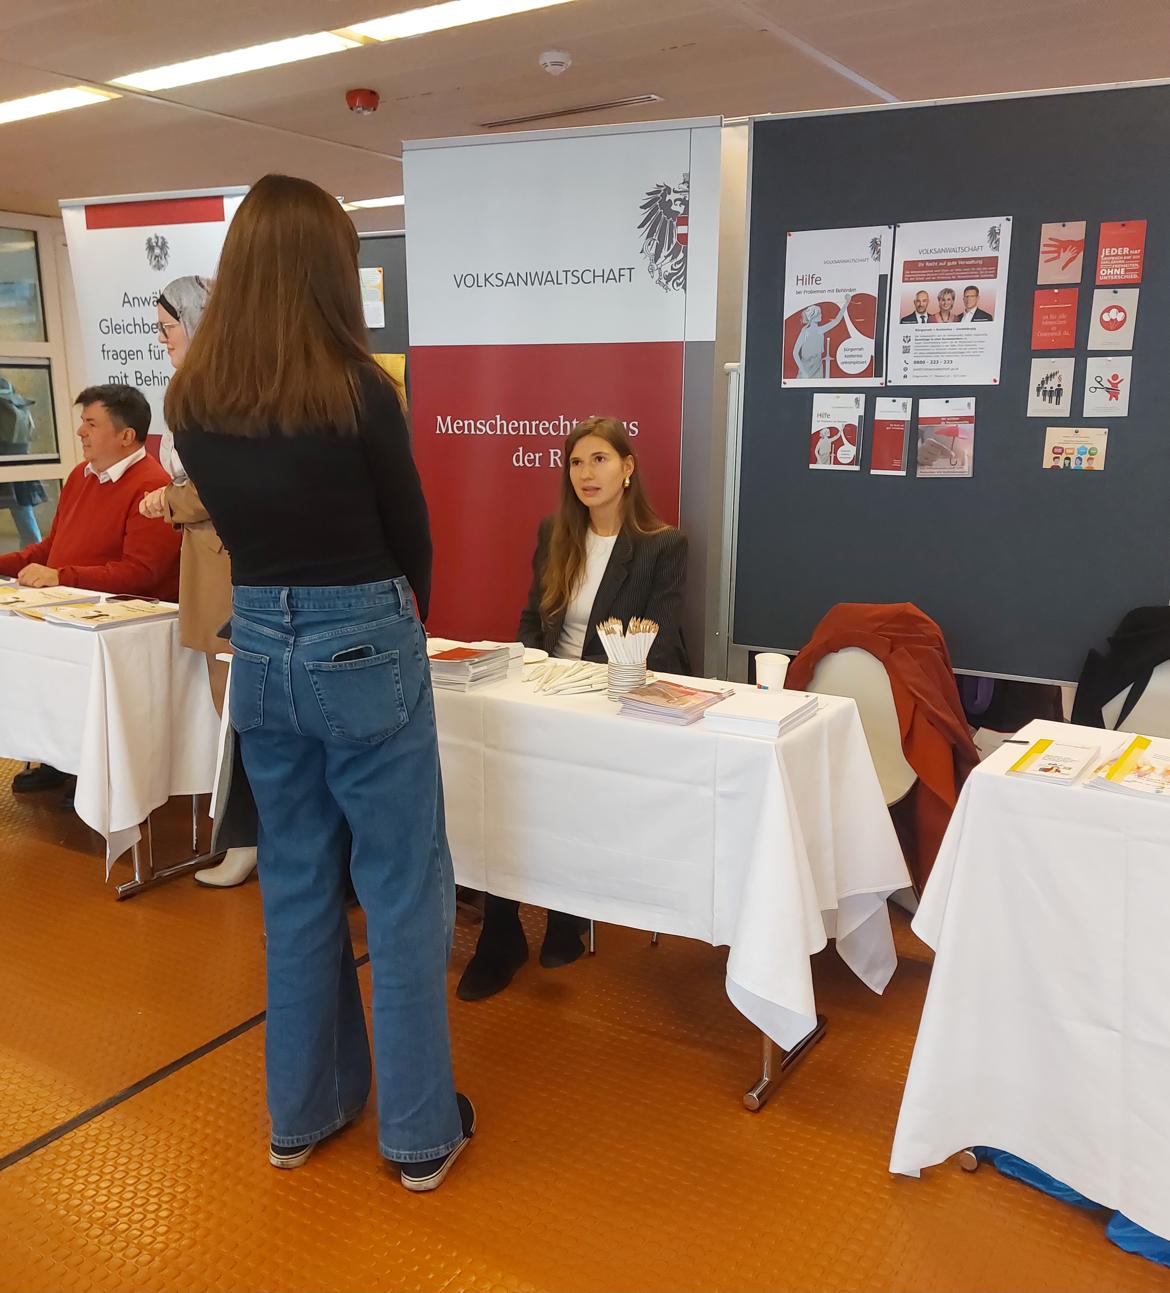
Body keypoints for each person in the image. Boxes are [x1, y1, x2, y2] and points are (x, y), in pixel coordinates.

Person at [166, 173, 472, 1192]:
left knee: (296, 888)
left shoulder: (194, 399)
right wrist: (397, 625)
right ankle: (421, 1135)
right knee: (401, 890)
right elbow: (411, 533)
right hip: (366, 636)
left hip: (256, 642)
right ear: (329, 268)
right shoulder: (356, 387)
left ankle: (300, 1116)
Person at [457, 416, 689, 1002]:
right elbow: (533, 620)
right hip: (547, 689)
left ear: (627, 467)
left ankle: (566, 912)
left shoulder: (663, 545)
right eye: (577, 462)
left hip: (612, 698)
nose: (587, 474)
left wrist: (585, 688)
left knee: (562, 778)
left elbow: (658, 640)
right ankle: (502, 930)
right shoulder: (554, 533)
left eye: (600, 460)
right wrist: (534, 678)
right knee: (498, 780)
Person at [2, 384, 181, 795]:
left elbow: (142, 573)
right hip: (73, 609)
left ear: (126, 436)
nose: (80, 432)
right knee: (39, 665)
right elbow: (50, 549)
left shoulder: (151, 487)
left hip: (133, 624)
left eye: (90, 423)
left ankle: (99, 777)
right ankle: (58, 757)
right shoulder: (80, 477)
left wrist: (62, 576)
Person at [139, 276, 257, 889]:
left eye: (168, 327)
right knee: (227, 701)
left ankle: (249, 838)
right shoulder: (202, 388)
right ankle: (245, 834)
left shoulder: (223, 392)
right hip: (211, 558)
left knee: (239, 703)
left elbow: (223, 483)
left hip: (230, 563)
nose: (161, 339)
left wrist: (171, 500)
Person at [0, 376, 48, 547]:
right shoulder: (17, 404)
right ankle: (34, 557)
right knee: (24, 514)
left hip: (6, 458)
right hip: (18, 460)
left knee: (23, 513)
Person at [791, 303, 845, 379]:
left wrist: (846, 303)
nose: (821, 315)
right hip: (806, 368)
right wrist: (804, 372)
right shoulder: (805, 332)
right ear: (813, 316)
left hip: (818, 368)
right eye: (819, 314)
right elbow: (795, 353)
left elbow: (836, 321)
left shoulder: (820, 330)